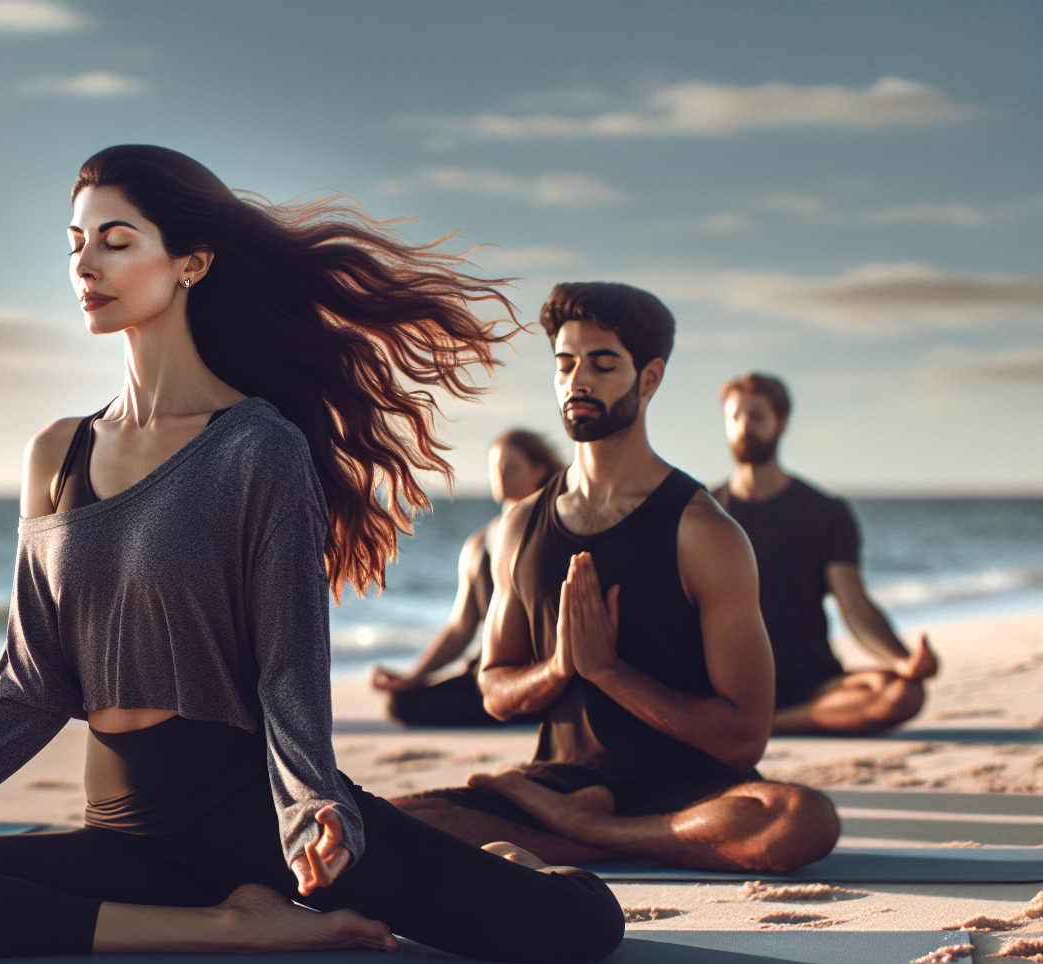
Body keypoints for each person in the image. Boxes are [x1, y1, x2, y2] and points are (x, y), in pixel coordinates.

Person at [0, 146, 624, 964]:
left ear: (191, 263)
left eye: (115, 240)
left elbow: (289, 666)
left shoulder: (257, 448)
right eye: (75, 244)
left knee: (578, 925)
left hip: (255, 819)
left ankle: (500, 860)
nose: (85, 265)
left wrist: (312, 806)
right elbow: (30, 682)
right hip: (122, 830)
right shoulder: (55, 454)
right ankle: (231, 927)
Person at [391, 282, 840, 874]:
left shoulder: (705, 533)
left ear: (649, 379)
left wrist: (608, 671)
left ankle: (593, 834)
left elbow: (743, 739)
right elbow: (495, 691)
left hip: (689, 793)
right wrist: (559, 667)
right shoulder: (521, 527)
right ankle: (620, 835)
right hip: (555, 787)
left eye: (602, 365)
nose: (578, 381)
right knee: (381, 824)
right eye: (565, 364)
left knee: (800, 819)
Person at [713, 373, 937, 735]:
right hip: (728, 686)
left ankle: (766, 725)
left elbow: (854, 605)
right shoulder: (704, 512)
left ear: (781, 422)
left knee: (903, 693)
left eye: (756, 416)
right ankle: (747, 718)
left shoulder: (824, 512)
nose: (744, 427)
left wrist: (903, 659)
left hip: (813, 684)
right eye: (734, 417)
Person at [370, 429, 564, 726]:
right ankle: (509, 705)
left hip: (541, 671)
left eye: (511, 467)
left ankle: (529, 704)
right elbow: (461, 626)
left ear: (539, 471)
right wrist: (414, 676)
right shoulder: (479, 543)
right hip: (488, 672)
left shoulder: (556, 531)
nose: (500, 475)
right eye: (495, 467)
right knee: (402, 702)